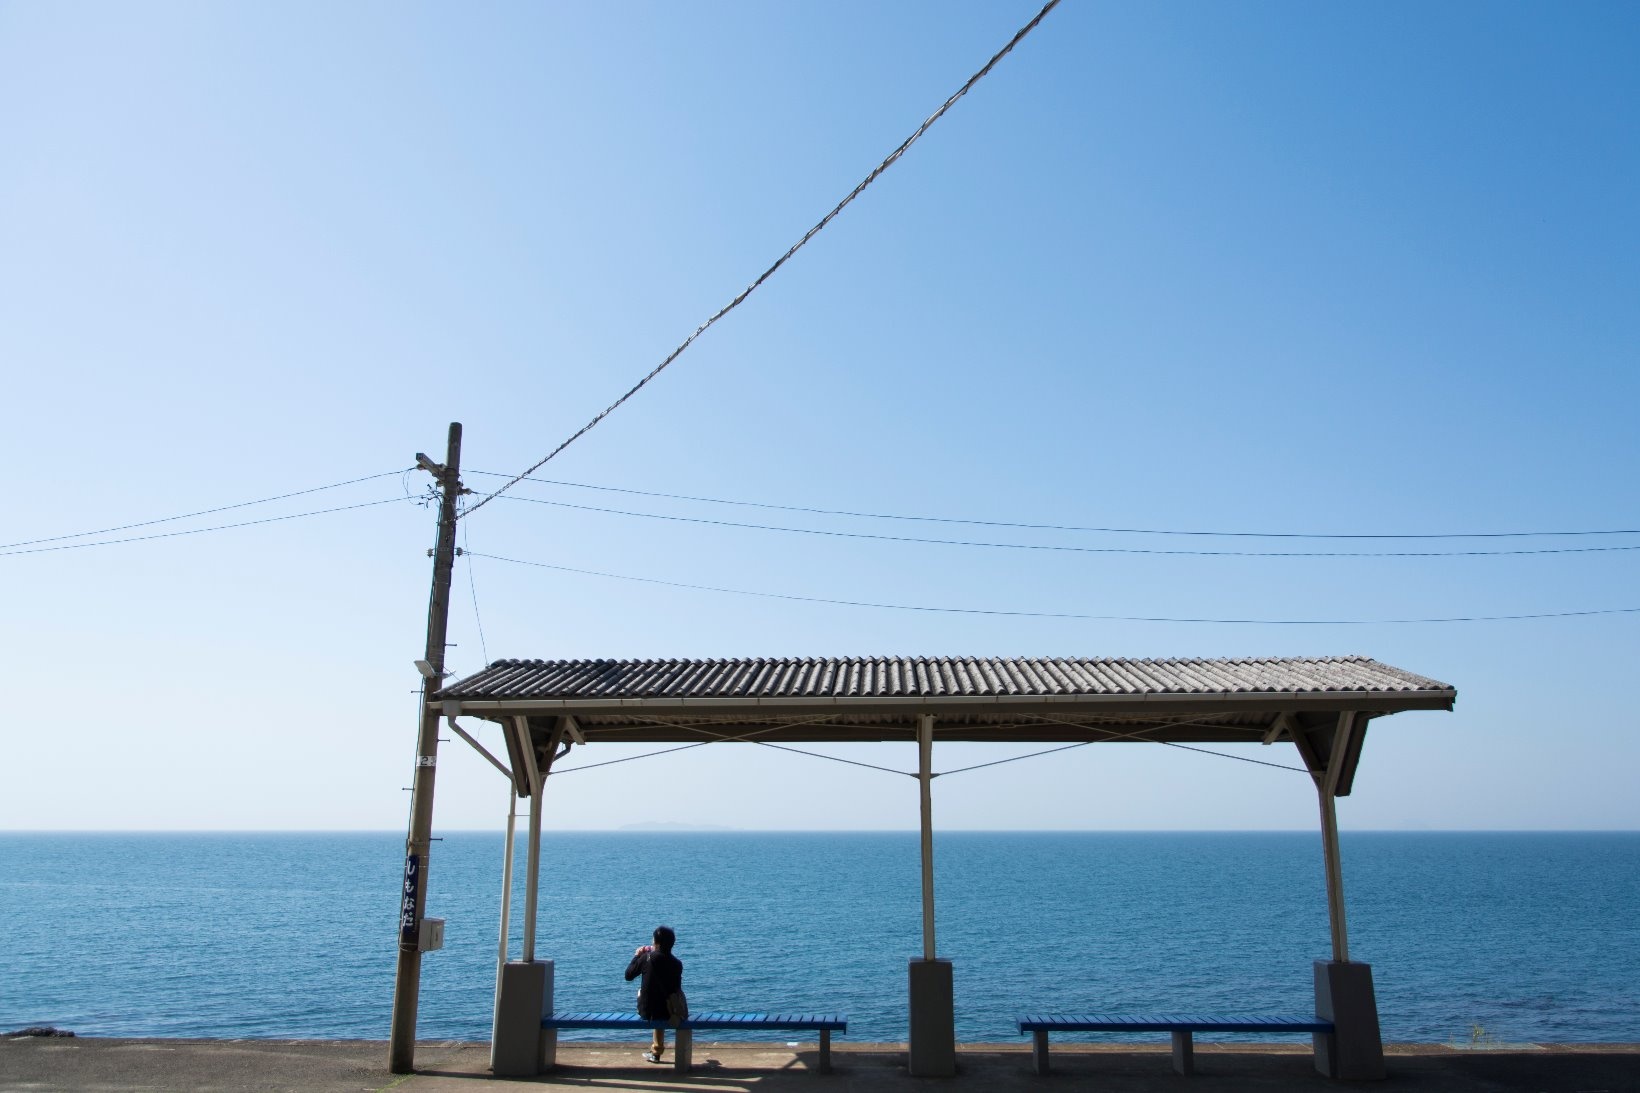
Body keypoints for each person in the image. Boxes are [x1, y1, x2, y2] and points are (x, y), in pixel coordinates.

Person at [624, 925, 684, 1063]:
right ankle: (656, 1052)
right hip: (669, 1011)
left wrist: (636, 956)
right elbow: (676, 989)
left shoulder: (647, 958)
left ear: (656, 942)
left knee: (648, 996)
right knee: (662, 1000)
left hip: (647, 1011)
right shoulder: (677, 964)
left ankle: (656, 1052)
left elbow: (628, 975)